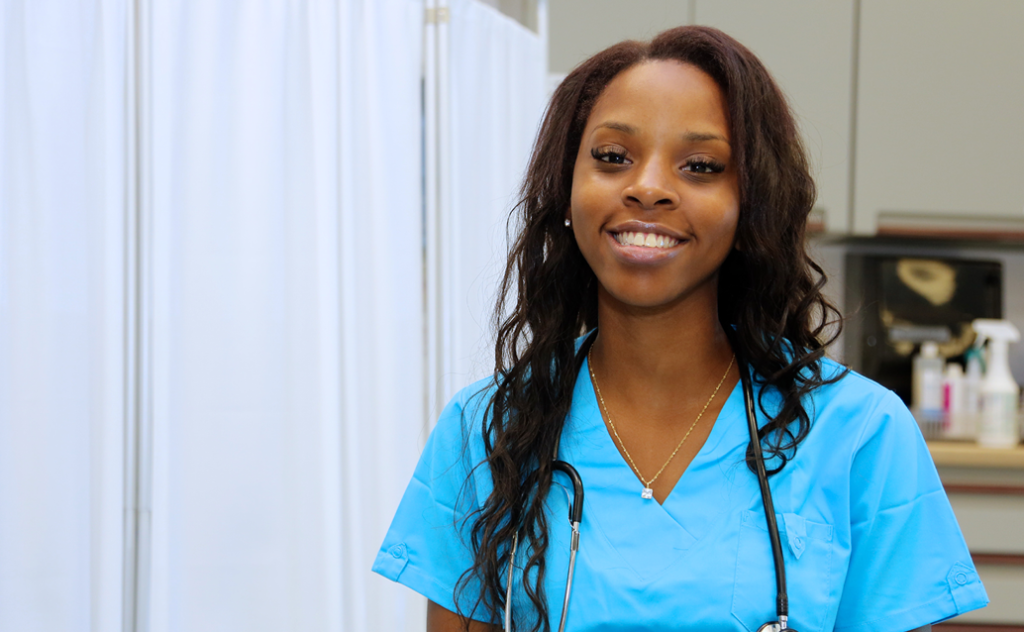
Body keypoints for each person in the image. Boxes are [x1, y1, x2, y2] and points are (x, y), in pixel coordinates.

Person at [373, 26, 988, 632]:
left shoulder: (860, 436)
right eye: (613, 157)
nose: (648, 188)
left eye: (699, 166)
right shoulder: (487, 431)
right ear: (566, 190)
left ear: (751, 207)